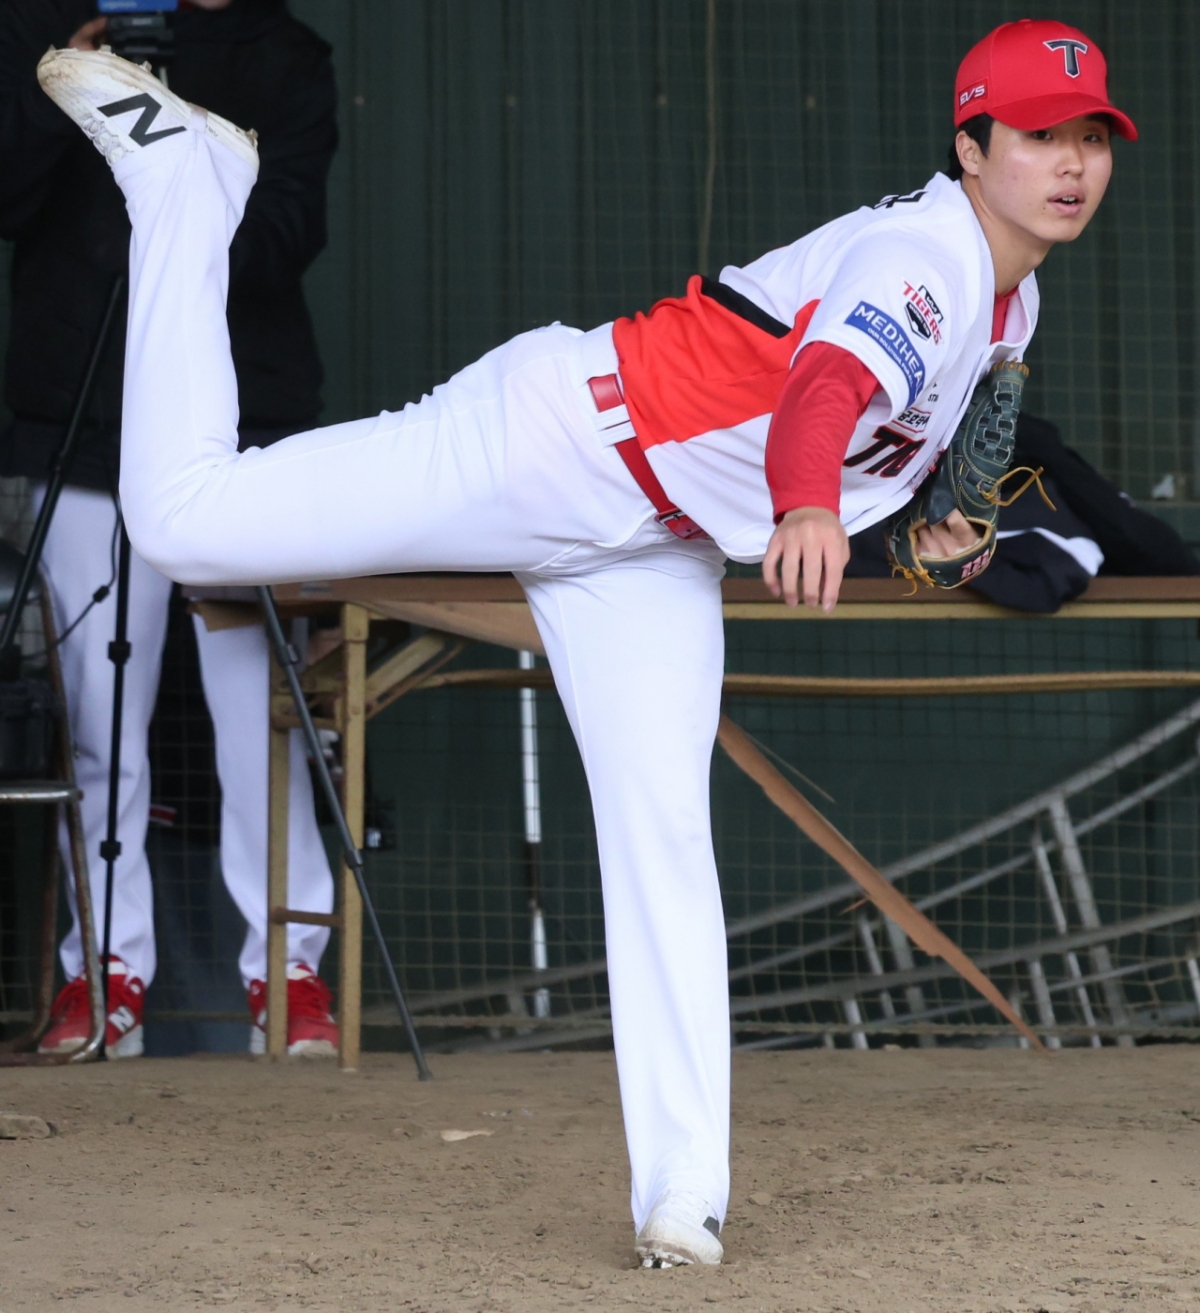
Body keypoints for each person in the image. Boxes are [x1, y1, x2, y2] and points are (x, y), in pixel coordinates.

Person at [35, 18, 1133, 1265]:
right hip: (554, 441)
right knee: (183, 523)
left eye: (1093, 137)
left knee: (664, 831)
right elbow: (826, 385)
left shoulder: (1009, 296)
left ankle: (683, 1193)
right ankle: (188, 189)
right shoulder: (922, 255)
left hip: (654, 549)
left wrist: (935, 518)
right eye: (1040, 133)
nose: (1072, 162)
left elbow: (928, 428)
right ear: (971, 147)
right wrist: (811, 504)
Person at [0, 0, 340, 1059]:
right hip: (80, 415)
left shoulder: (285, 53)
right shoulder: (48, 25)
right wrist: (71, 88)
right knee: (99, 718)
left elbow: (287, 233)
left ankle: (289, 969)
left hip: (244, 423)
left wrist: (171, 183)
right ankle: (104, 968)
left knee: (261, 711)